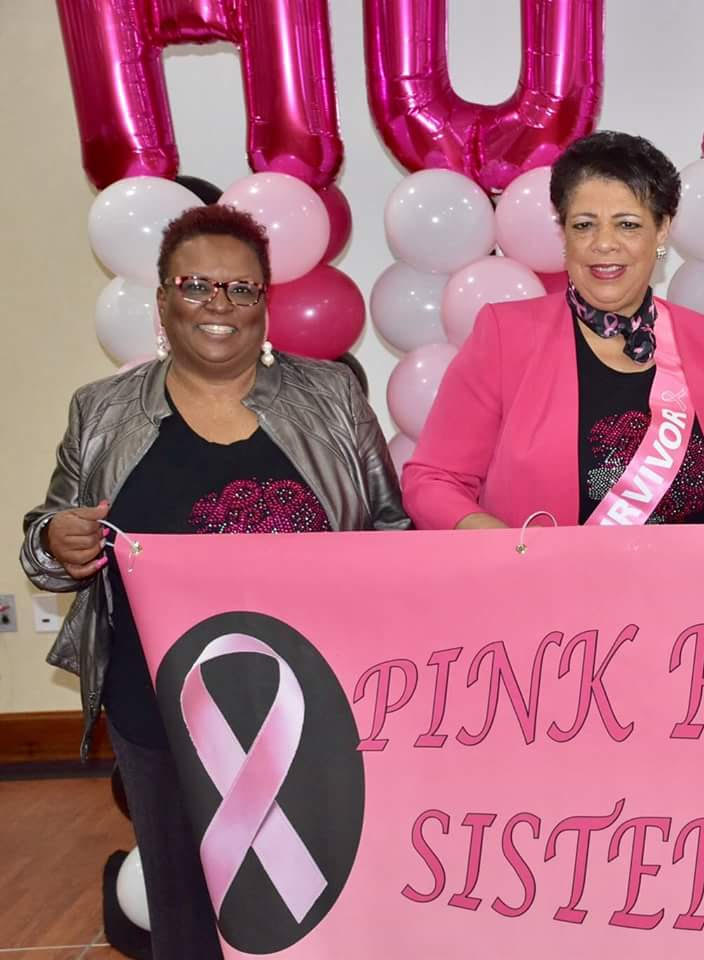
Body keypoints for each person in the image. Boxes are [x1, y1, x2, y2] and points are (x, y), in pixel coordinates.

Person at [19, 205, 408, 958]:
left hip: (318, 706)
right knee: (187, 909)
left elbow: (392, 532)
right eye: (196, 285)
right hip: (160, 710)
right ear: (163, 299)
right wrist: (56, 541)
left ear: (266, 301)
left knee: (322, 907)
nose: (218, 305)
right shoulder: (101, 411)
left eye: (241, 288)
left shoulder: (332, 397)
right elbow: (47, 538)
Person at [403, 131, 704, 528]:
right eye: (584, 225)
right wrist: (508, 547)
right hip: (549, 571)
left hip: (699, 571)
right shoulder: (506, 336)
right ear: (564, 232)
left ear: (662, 230)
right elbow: (433, 481)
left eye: (627, 225)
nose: (604, 244)